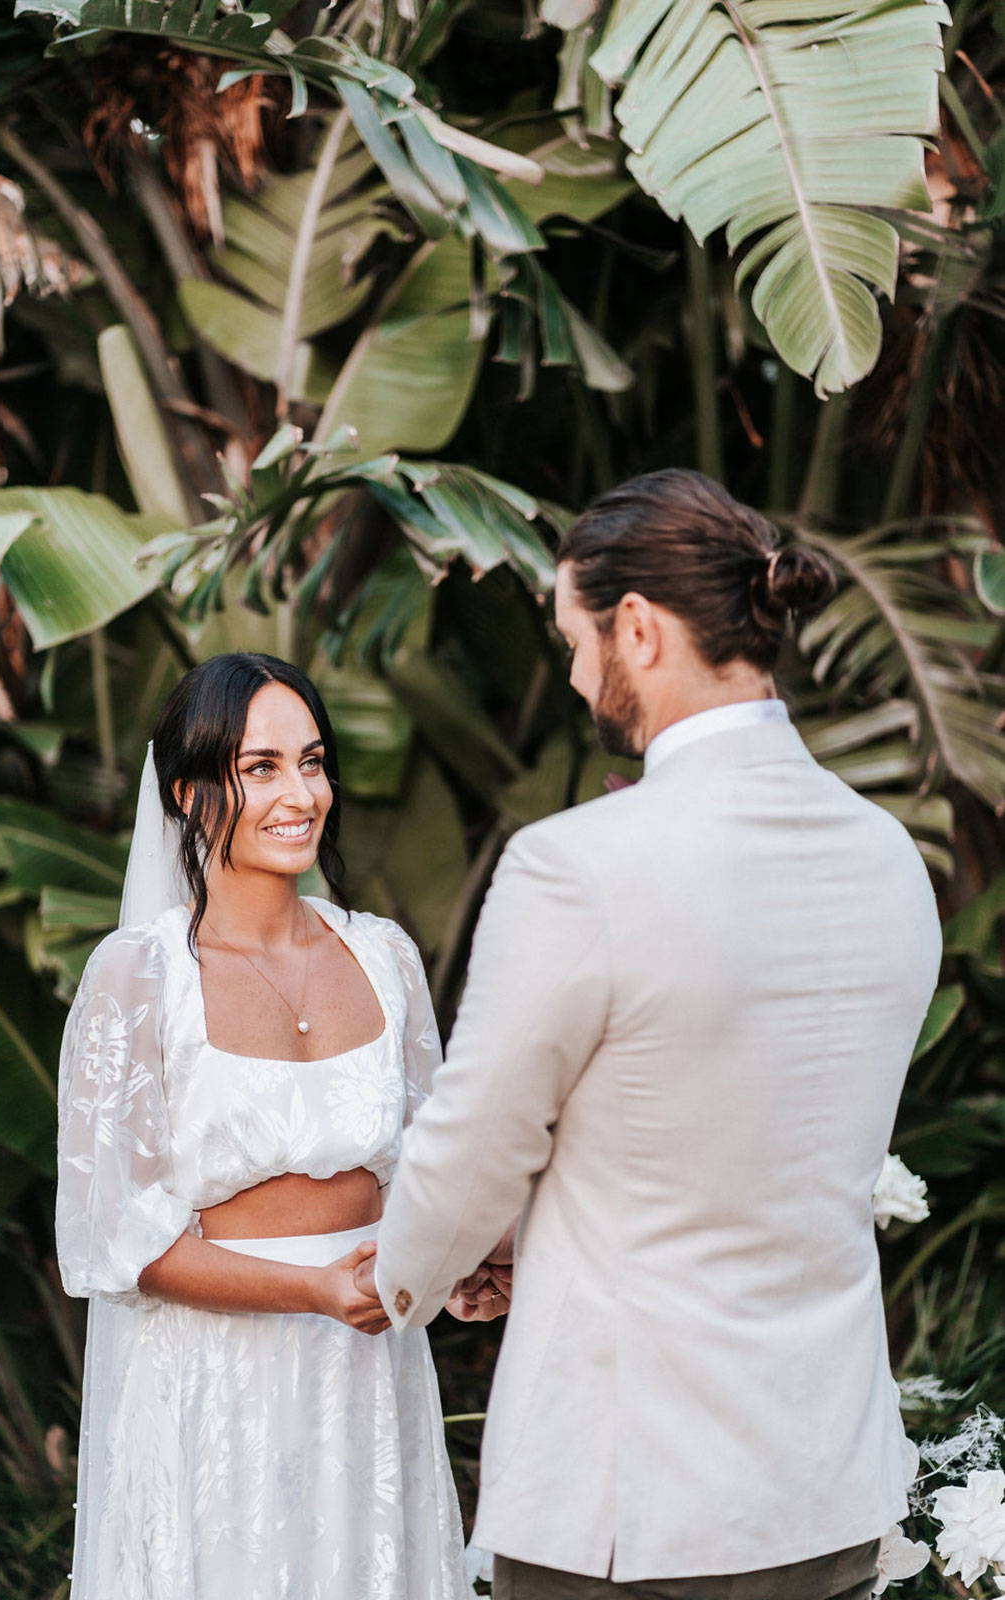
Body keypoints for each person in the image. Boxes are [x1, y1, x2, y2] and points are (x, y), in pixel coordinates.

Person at [364, 470, 942, 1600]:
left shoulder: (576, 866)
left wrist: (402, 1280)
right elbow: (741, 1135)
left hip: (635, 1504)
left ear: (636, 627)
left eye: (573, 636)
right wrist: (537, 1245)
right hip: (828, 1483)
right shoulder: (888, 858)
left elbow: (477, 1137)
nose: (575, 673)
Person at [55, 653, 472, 1600]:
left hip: (368, 1375)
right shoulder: (140, 976)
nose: (302, 794)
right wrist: (314, 1289)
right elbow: (113, 1237)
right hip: (215, 1388)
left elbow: (429, 1173)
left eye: (314, 761)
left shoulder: (384, 958)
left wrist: (465, 1262)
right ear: (191, 794)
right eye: (262, 768)